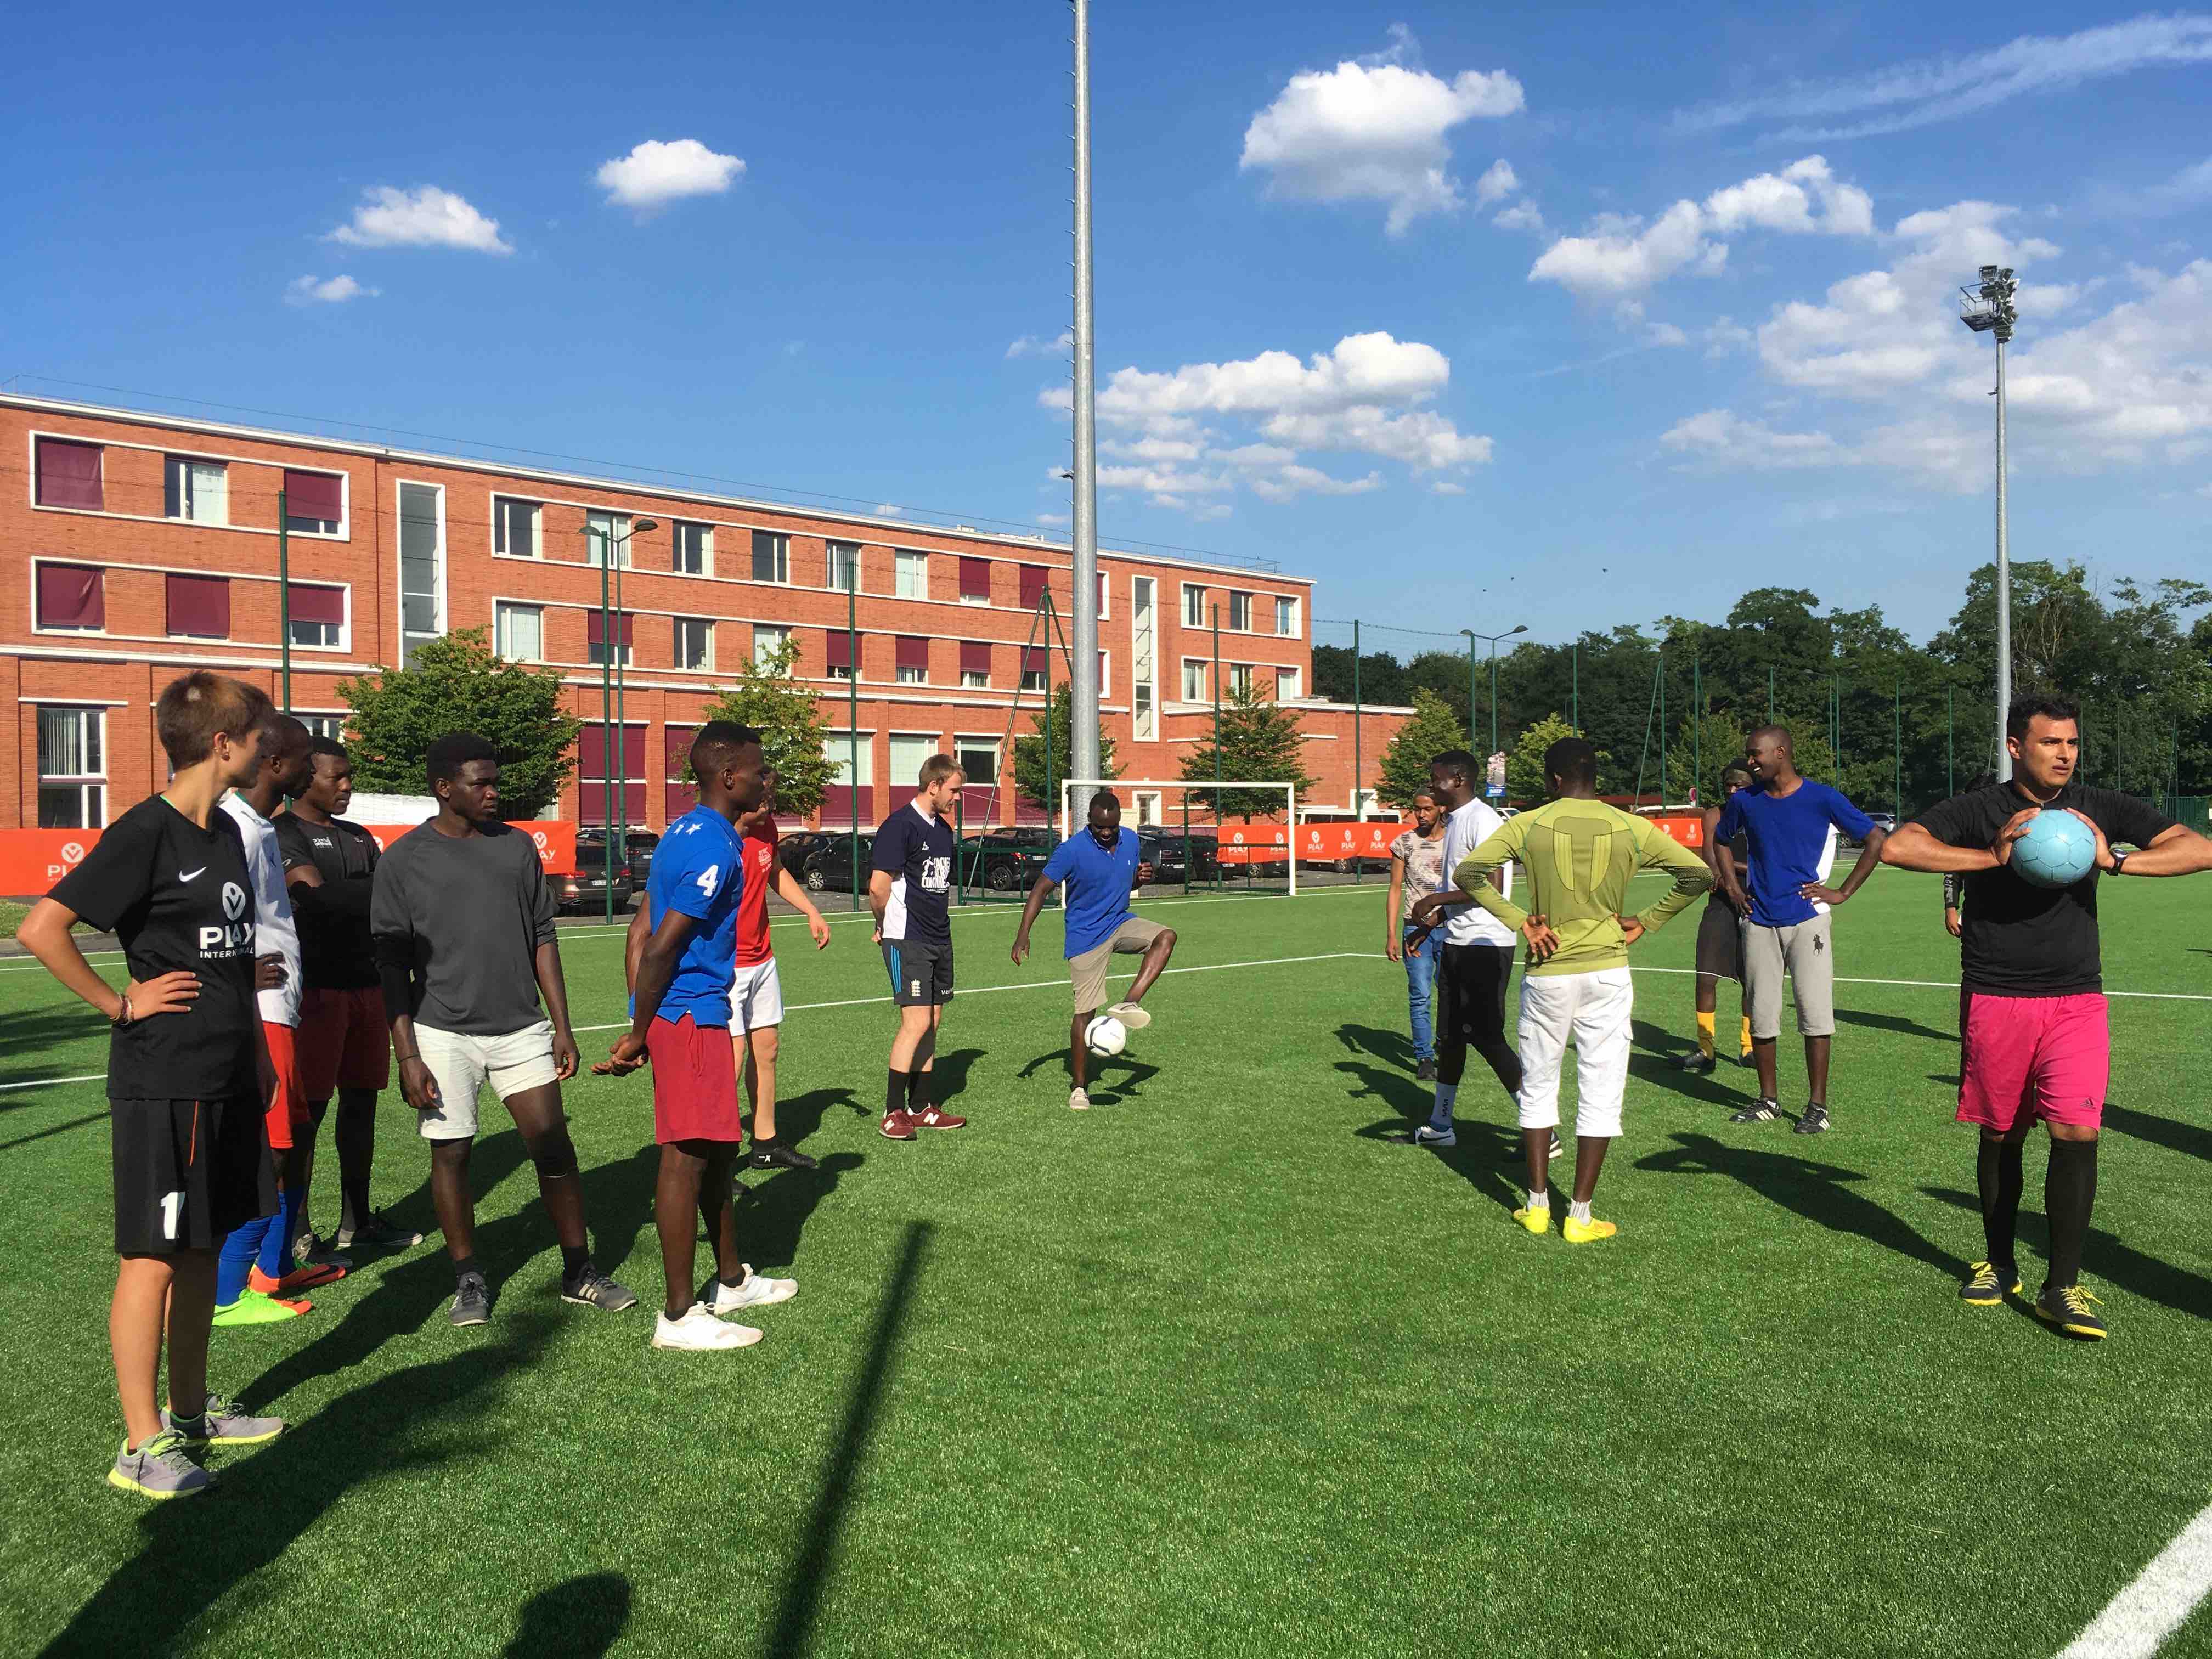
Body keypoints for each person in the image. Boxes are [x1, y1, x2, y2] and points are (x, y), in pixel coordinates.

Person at [16, 671, 285, 1498]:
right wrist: (118, 1002)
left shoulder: (229, 835)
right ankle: (141, 1446)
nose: (266, 749)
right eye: (258, 736)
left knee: (204, 1247)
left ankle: (194, 1411)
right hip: (162, 1081)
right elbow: (42, 927)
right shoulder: (146, 831)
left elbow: (227, 957)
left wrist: (258, 1053)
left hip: (225, 1073)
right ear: (222, 744)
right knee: (154, 1256)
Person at [1881, 695, 2212, 1338]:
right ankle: (2000, 1263)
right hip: (1997, 994)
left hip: (2076, 997)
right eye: (2050, 743)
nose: (2065, 755)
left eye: (2072, 744)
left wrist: (2116, 860)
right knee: (2002, 1134)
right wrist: (1989, 858)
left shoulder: (2098, 808)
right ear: (2014, 747)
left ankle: (2063, 1286)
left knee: (2077, 1134)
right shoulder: (1980, 810)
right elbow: (1900, 847)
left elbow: (2196, 848)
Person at [371, 732, 635, 1327]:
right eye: (481, 783)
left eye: (496, 780)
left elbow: (543, 936)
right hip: (440, 1033)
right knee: (453, 1154)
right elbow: (390, 966)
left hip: (521, 1029)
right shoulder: (403, 860)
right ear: (444, 788)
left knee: (552, 1144)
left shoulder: (517, 848)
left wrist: (562, 1026)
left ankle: (578, 1271)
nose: (495, 792)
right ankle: (468, 1278)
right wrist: (407, 1054)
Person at [1452, 737, 1716, 1241]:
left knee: (1538, 1084)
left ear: (1553, 780)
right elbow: (1698, 874)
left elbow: (1470, 873)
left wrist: (1520, 922)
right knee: (1601, 1086)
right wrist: (1649, 920)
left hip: (1548, 970)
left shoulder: (1527, 824)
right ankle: (1580, 1215)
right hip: (1608, 971)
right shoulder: (1632, 825)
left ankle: (1534, 1206)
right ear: (1595, 777)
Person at [600, 723, 798, 1351]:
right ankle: (680, 1316)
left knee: (716, 1152)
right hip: (691, 1017)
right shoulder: (715, 847)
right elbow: (659, 949)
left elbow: (636, 932)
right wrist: (640, 1033)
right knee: (684, 1159)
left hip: (685, 1014)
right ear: (729, 775)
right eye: (760, 771)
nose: (767, 781)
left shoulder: (681, 832)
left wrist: (642, 1020)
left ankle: (732, 1279)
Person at [212, 713, 343, 1328]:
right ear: (277, 766)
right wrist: (242, 974)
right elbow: (208, 915)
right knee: (273, 1150)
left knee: (295, 1133)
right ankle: (230, 1292)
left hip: (284, 1007)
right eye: (299, 758)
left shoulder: (257, 826)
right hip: (262, 1014)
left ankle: (272, 1267)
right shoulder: (235, 826)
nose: (308, 767)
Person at [278, 736, 420, 1253]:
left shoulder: (360, 837)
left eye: (349, 775)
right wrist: (386, 890)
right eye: (334, 777)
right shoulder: (282, 832)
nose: (346, 785)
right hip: (316, 990)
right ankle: (295, 1231)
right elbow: (316, 900)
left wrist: (380, 895)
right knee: (308, 1115)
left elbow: (384, 909)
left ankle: (356, 1223)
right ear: (304, 779)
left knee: (361, 1108)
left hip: (368, 987)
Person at [1713, 726, 1889, 1134]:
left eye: (1756, 755)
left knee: (1815, 1013)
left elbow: (1875, 839)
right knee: (1761, 1014)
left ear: (1781, 752)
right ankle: (1768, 1100)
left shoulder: (1822, 797)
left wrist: (1843, 892)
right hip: (1758, 920)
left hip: (1809, 919)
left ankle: (1817, 1106)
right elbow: (1720, 841)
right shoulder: (1746, 801)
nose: (1750, 762)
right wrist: (1734, 888)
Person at [1011, 789, 1177, 1111]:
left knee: (1166, 937)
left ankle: (1129, 1004)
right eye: (1099, 826)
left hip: (1120, 922)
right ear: (1089, 820)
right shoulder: (1071, 851)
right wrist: (1023, 935)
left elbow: (1122, 883)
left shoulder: (1130, 840)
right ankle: (1079, 1087)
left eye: (1111, 827)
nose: (1105, 832)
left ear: (1118, 821)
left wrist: (1141, 880)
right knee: (1085, 1014)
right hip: (1086, 937)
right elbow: (1040, 889)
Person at [1407, 751, 1532, 1155]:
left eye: (1437, 778)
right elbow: (1468, 892)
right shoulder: (1457, 819)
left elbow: (1491, 883)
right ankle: (1441, 1124)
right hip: (1458, 940)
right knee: (1451, 1038)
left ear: (1459, 779)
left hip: (1486, 944)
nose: (1432, 785)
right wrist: (1436, 920)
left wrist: (1434, 899)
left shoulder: (1483, 819)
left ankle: (1539, 1126)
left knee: (1487, 1037)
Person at [871, 754, 969, 1141]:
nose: (958, 798)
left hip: (939, 938)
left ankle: (922, 1107)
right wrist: (882, 925)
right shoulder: (899, 827)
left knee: (933, 1023)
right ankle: (893, 1111)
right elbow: (878, 887)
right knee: (916, 1023)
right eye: (955, 791)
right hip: (905, 938)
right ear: (934, 786)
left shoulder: (943, 831)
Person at [1678, 761, 1757, 1075]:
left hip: (1757, 906)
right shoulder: (1715, 814)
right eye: (1729, 785)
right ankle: (1705, 1049)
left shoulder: (1763, 813)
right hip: (1721, 904)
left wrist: (1736, 871)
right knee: (1706, 976)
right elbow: (1711, 866)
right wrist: (1745, 874)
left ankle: (1749, 1048)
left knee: (1752, 982)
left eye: (1739, 785)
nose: (1733, 790)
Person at [1384, 791, 1448, 1082]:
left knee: (1450, 994)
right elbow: (1395, 888)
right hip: (1414, 929)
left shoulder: (1455, 841)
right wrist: (1391, 934)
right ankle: (1424, 1057)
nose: (1421, 815)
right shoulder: (1404, 843)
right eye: (1416, 810)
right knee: (1420, 995)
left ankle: (1447, 1049)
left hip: (1450, 927)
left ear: (1440, 809)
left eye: (1427, 809)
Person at [1939, 771, 2000, 1039]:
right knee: (1975, 975)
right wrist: (1951, 908)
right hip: (1976, 916)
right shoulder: (1965, 831)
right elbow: (1952, 872)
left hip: (2014, 916)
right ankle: (1971, 1033)